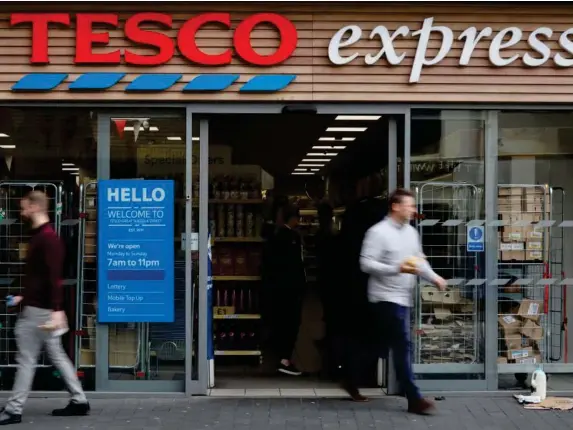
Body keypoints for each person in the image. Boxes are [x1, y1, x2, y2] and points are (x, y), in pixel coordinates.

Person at [0, 191, 90, 426]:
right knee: (56, 354)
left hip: (39, 312)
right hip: (42, 308)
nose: (22, 212)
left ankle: (13, 409)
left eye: (24, 207)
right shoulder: (44, 236)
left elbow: (54, 277)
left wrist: (57, 309)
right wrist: (24, 296)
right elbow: (41, 277)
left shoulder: (46, 239)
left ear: (35, 207)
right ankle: (79, 400)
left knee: (26, 359)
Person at [359, 188, 447, 415]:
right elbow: (366, 263)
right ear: (395, 206)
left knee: (379, 345)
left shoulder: (410, 233)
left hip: (402, 298)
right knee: (402, 346)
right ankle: (414, 398)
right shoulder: (378, 232)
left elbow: (418, 261)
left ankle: (349, 374)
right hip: (385, 298)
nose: (413, 209)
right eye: (409, 205)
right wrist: (394, 268)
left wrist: (434, 277)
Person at [265, 203, 306, 376]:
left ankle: (279, 357)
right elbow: (296, 266)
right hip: (290, 288)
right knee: (291, 322)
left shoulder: (274, 236)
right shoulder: (292, 238)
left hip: (277, 287)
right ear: (294, 218)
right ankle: (284, 359)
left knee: (280, 321)